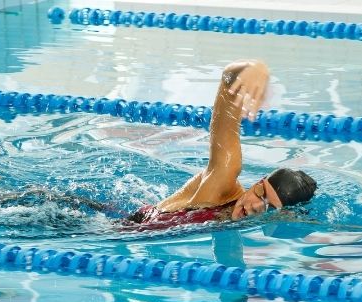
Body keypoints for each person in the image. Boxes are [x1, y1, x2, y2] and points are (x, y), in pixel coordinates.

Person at [126, 59, 317, 230]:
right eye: (261, 194)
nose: (256, 206)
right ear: (258, 183)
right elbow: (229, 79)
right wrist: (256, 68)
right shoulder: (223, 179)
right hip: (116, 228)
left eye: (270, 207)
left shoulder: (233, 222)